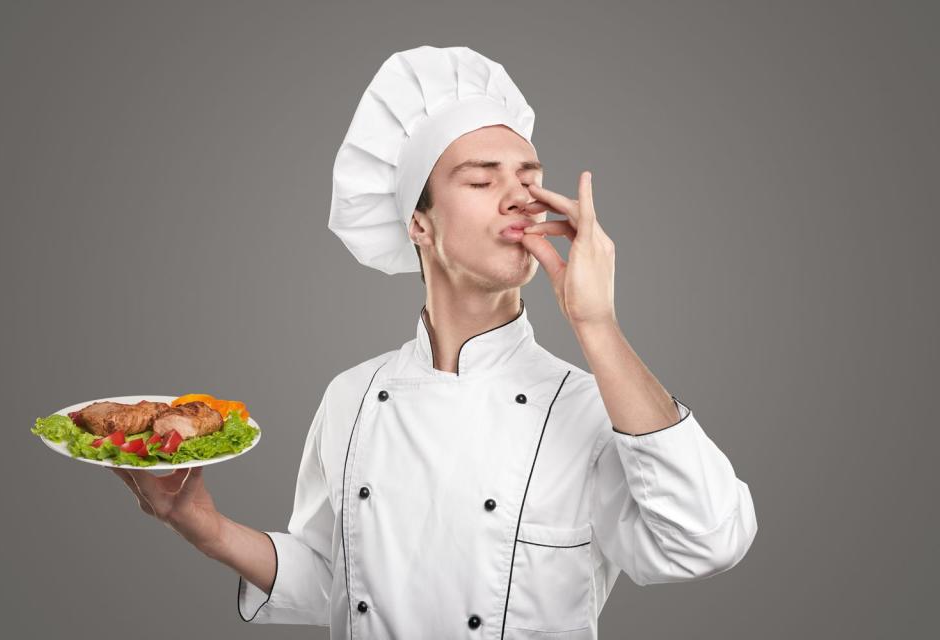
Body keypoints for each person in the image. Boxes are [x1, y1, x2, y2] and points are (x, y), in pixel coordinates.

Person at [112, 45, 757, 639]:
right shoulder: (352, 399)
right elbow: (335, 582)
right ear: (419, 223)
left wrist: (596, 324)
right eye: (482, 181)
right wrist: (205, 528)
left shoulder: (591, 408)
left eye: (529, 179)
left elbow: (707, 540)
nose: (519, 199)